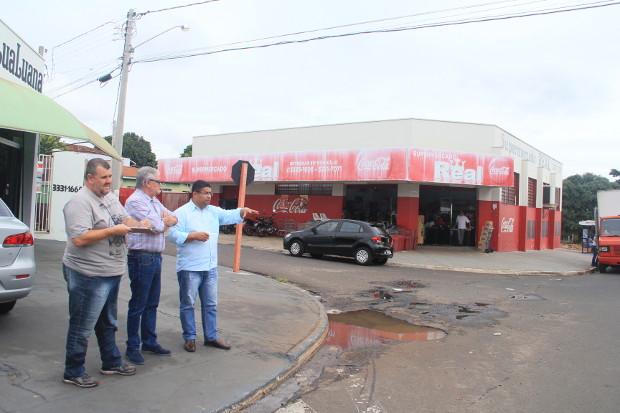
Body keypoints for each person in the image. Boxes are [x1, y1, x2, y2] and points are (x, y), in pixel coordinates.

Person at [62, 158, 150, 388]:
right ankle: (73, 370)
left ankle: (110, 362)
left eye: (110, 177)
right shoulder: (79, 202)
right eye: (104, 177)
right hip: (87, 274)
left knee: (107, 321)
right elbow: (80, 238)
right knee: (82, 325)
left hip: (110, 272)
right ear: (90, 178)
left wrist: (143, 224)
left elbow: (124, 219)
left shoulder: (109, 197)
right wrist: (114, 230)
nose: (108, 182)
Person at [168, 180, 258, 353]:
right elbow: (172, 235)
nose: (209, 196)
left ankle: (211, 336)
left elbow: (229, 214)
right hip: (190, 268)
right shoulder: (182, 213)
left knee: (210, 304)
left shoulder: (213, 212)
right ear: (194, 194)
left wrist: (242, 211)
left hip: (210, 267)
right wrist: (192, 236)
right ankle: (190, 338)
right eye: (205, 193)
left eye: (211, 193)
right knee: (188, 304)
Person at [124, 167, 178, 365]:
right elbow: (156, 226)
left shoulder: (153, 201)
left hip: (155, 257)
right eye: (158, 181)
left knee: (152, 303)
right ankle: (132, 346)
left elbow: (170, 218)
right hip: (141, 257)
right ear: (147, 182)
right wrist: (163, 222)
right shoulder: (136, 201)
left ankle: (149, 341)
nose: (161, 185)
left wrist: (163, 222)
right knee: (138, 303)